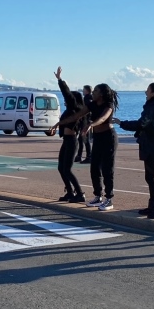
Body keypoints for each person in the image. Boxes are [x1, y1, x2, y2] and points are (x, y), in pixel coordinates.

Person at [117, 82, 154, 218]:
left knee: (151, 178)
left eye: (148, 90)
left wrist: (121, 123)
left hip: (152, 146)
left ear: (153, 93)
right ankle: (153, 206)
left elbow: (141, 124)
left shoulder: (152, 107)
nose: (145, 92)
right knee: (150, 177)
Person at [70, 83, 119, 211]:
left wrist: (91, 125)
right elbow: (79, 114)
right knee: (94, 168)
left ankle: (109, 199)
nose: (93, 92)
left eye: (95, 91)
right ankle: (98, 196)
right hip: (98, 138)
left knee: (107, 169)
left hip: (109, 138)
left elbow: (103, 118)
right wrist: (63, 122)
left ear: (101, 94)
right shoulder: (92, 104)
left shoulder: (108, 105)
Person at [49, 67, 86, 203]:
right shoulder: (70, 111)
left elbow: (67, 94)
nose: (65, 100)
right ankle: (70, 192)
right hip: (66, 140)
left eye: (68, 99)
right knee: (61, 168)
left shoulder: (76, 109)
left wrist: (60, 80)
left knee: (67, 169)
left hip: (71, 141)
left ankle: (80, 194)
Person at [76, 85, 93, 163]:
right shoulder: (88, 99)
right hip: (85, 121)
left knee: (85, 139)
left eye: (83, 90)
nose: (82, 91)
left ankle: (89, 156)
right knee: (80, 139)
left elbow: (85, 111)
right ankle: (79, 156)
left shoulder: (87, 100)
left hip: (85, 121)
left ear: (87, 91)